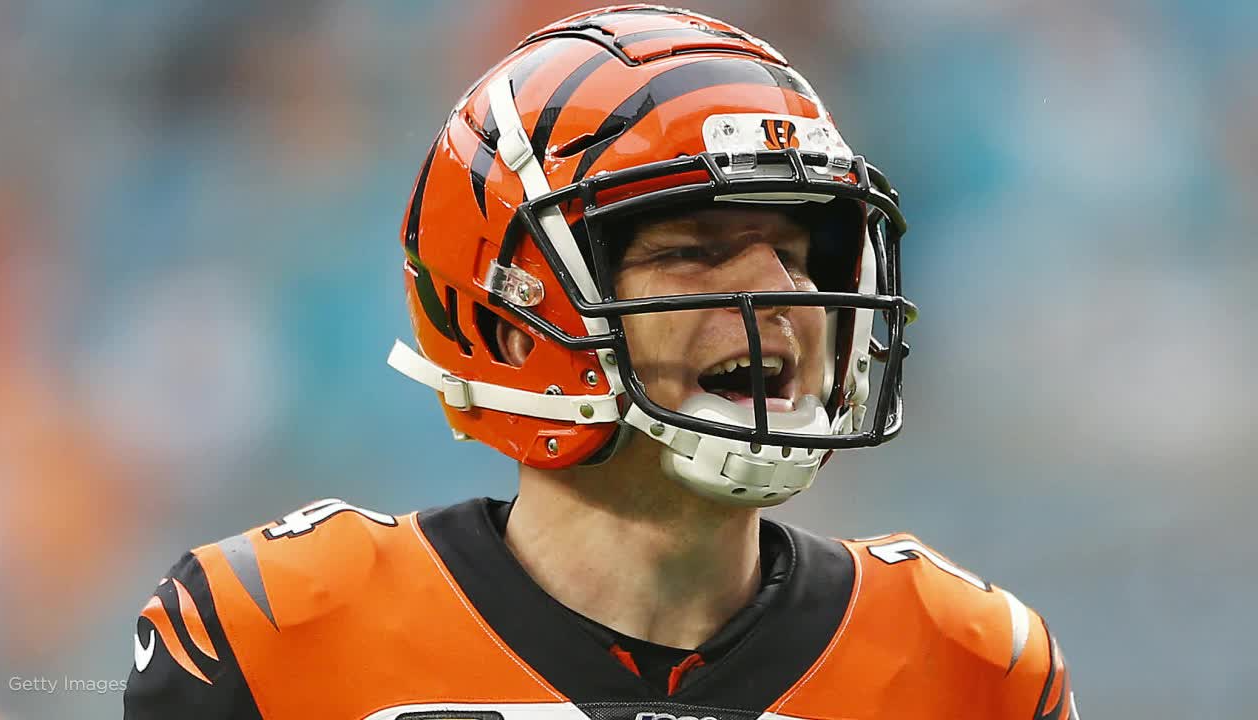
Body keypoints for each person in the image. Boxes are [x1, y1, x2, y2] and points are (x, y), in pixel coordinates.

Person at [123, 6, 1079, 719]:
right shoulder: (277, 639)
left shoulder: (969, 664)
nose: (780, 295)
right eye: (695, 253)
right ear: (511, 327)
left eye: (797, 250)